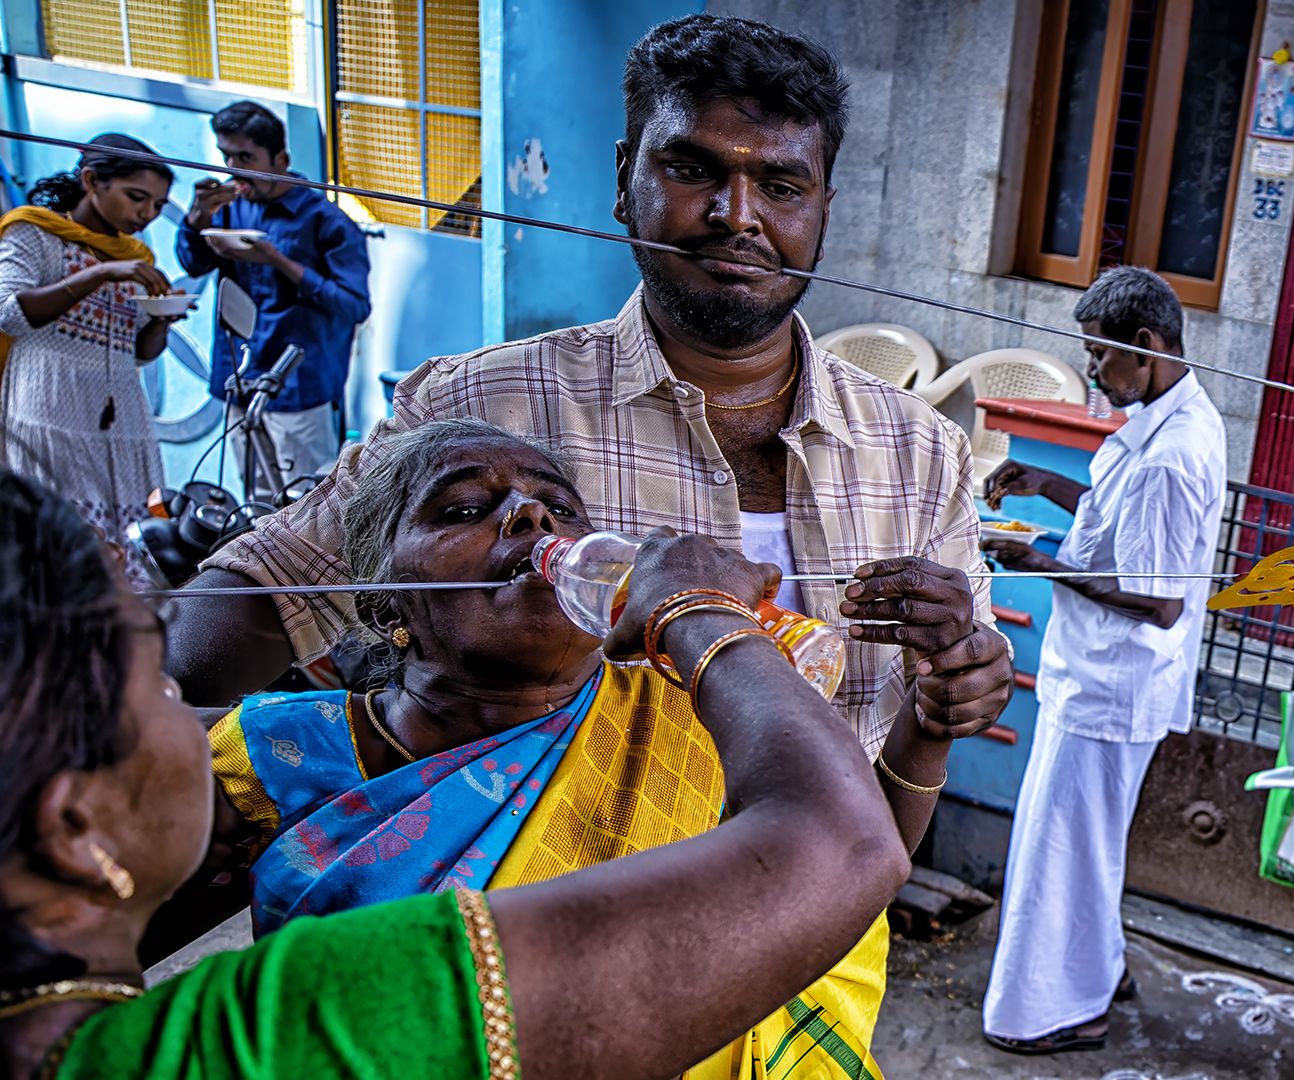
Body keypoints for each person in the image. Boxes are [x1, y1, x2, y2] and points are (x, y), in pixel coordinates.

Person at [165, 14, 1013, 760]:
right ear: (623, 181)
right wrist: (127, 716)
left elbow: (954, 674)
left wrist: (966, 676)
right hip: (544, 914)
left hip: (822, 921)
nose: (737, 216)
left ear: (823, 206)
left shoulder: (919, 449)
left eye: (781, 187)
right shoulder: (480, 409)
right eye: (693, 170)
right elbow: (270, 587)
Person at [0, 469, 910, 1080]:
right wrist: (704, 616)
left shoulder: (684, 715)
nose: (530, 521)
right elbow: (840, 848)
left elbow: (860, 884)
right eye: (157, 687)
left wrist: (927, 736)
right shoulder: (305, 1016)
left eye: (557, 505)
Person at [978, 266, 1227, 1053]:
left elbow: (1157, 597)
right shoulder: (1164, 415)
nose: (1092, 371)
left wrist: (1034, 562)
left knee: (1061, 850)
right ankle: (1101, 968)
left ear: (1145, 348)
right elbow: (1122, 524)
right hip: (1098, 679)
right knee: (1083, 845)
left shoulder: (1169, 451)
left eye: (1099, 355)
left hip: (1110, 686)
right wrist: (1049, 485)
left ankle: (1059, 1007)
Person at [0, 133, 185, 581]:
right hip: (50, 416)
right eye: (136, 197)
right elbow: (9, 315)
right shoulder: (34, 233)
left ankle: (126, 642)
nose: (146, 214)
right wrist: (101, 272)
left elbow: (140, 352)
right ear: (92, 181)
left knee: (135, 549)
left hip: (122, 426)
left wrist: (162, 320)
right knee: (56, 555)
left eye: (158, 206)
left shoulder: (137, 256)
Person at [175, 100, 371, 500]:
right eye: (226, 156)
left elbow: (354, 305)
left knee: (307, 506)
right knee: (255, 502)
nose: (234, 168)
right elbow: (194, 264)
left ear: (281, 158)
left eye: (245, 157)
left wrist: (278, 261)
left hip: (300, 388)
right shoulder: (229, 209)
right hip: (239, 376)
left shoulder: (326, 221)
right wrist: (196, 219)